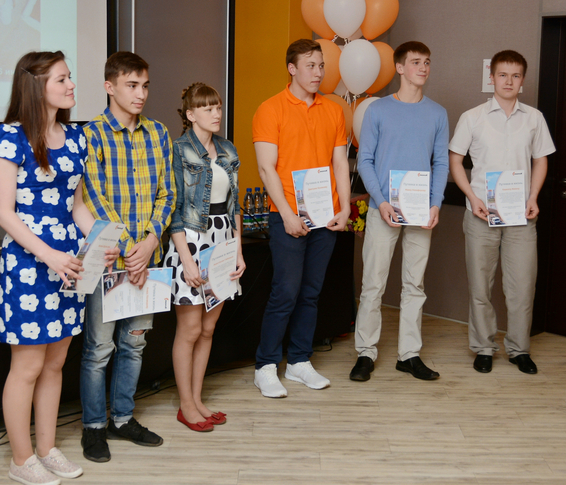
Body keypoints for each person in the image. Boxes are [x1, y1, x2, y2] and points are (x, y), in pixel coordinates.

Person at [0, 51, 117, 485]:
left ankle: (46, 448)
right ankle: (21, 458)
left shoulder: (76, 137)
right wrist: (49, 255)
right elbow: (4, 213)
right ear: (35, 85)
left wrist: (100, 240)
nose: (71, 85)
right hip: (31, 264)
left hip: (70, 263)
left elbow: (76, 206)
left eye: (69, 77)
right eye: (62, 79)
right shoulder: (10, 136)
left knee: (55, 363)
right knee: (26, 367)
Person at [79, 51, 174, 462]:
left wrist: (149, 242)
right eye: (132, 85)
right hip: (108, 260)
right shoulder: (91, 134)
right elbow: (94, 197)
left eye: (145, 86)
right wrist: (130, 248)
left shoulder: (158, 133)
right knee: (99, 349)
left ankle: (122, 419)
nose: (141, 94)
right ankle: (94, 427)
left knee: (134, 345)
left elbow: (168, 193)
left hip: (146, 260)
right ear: (109, 86)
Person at [252, 38, 350, 398]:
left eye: (321, 65)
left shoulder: (333, 110)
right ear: (292, 68)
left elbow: (340, 162)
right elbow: (266, 168)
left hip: (325, 215)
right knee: (286, 292)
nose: (318, 72)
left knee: (310, 292)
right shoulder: (270, 109)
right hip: (287, 215)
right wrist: (287, 214)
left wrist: (344, 207)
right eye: (310, 65)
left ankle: (299, 361)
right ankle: (265, 365)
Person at [448, 50, 556, 375]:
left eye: (515, 75)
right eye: (503, 75)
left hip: (521, 215)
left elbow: (541, 160)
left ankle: (519, 350)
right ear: (492, 77)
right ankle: (483, 347)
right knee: (480, 286)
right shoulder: (472, 117)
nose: (509, 81)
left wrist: (533, 196)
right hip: (481, 214)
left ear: (522, 80)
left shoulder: (534, 118)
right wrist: (471, 197)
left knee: (522, 287)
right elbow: (455, 161)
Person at [350, 41, 449, 383]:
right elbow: (365, 160)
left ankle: (409, 355)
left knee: (414, 285)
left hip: (421, 211)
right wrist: (380, 201)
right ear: (400, 68)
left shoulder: (437, 113)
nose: (423, 67)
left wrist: (436, 203)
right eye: (416, 62)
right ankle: (366, 353)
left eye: (427, 62)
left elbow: (441, 162)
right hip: (384, 209)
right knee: (373, 283)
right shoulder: (378, 110)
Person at [163, 83, 245, 432]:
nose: (216, 113)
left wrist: (238, 250)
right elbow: (175, 210)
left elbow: (234, 205)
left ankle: (197, 401)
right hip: (191, 241)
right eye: (208, 108)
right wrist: (186, 259)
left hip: (222, 240)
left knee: (209, 328)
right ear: (190, 114)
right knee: (191, 329)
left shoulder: (227, 149)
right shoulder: (178, 150)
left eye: (218, 107)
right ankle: (185, 405)